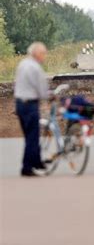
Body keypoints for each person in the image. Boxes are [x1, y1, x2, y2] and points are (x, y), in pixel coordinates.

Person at [14, 42, 49, 177]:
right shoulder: (35, 68)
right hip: (30, 105)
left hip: (20, 103)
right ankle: (26, 168)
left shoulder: (23, 64)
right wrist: (48, 97)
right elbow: (42, 90)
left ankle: (37, 161)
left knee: (30, 135)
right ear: (37, 53)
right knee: (32, 137)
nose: (44, 56)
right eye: (43, 53)